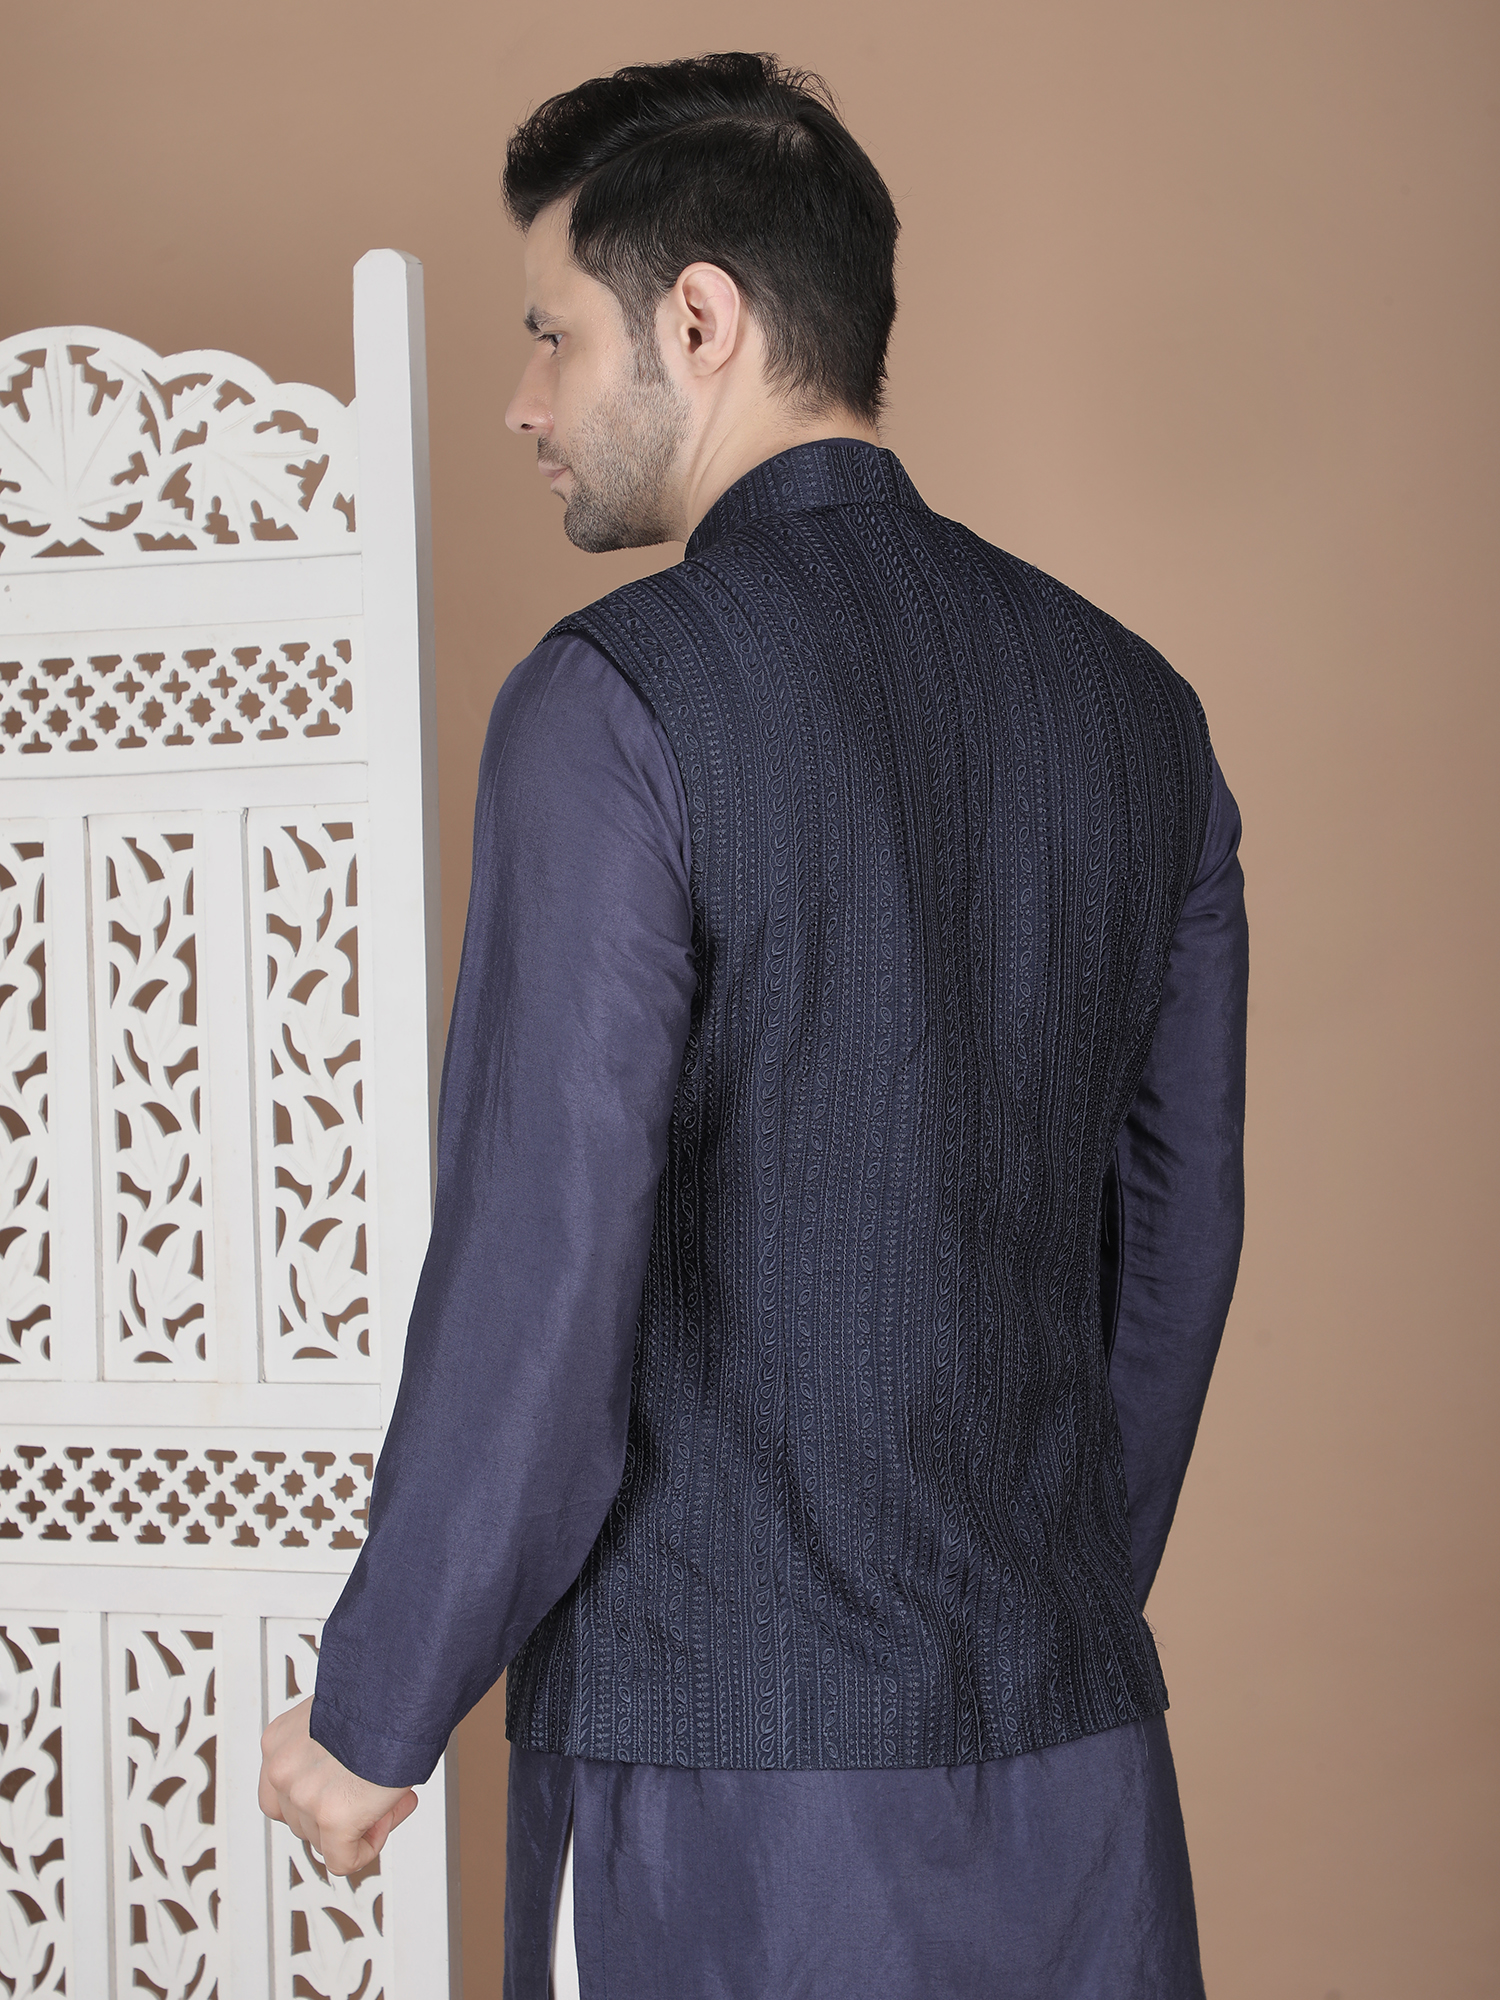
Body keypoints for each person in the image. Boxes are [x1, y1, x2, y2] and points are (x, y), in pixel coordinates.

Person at [259, 53, 1248, 2000]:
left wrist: (378, 1705)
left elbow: (544, 1270)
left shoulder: (611, 703)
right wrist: (1033, 1608)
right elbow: (1179, 1246)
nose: (527, 401)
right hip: (1080, 1779)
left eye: (553, 333)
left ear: (698, 319)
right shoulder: (1143, 712)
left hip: (721, 1792)